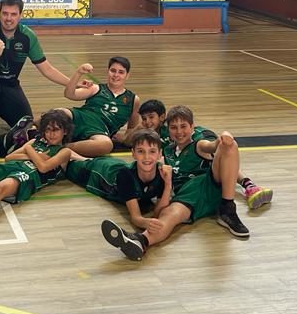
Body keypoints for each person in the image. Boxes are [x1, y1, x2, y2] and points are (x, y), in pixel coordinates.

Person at [101, 105, 251, 261]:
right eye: (174, 127)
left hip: (210, 184)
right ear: (168, 129)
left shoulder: (198, 145)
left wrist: (224, 137)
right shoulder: (167, 152)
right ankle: (141, 241)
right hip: (187, 198)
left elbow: (212, 146)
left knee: (230, 146)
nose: (179, 132)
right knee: (169, 215)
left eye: (183, 126)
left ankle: (228, 208)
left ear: (192, 127)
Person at [135, 98, 273, 211]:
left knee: (216, 159)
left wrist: (220, 141)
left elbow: (202, 143)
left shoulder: (170, 130)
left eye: (151, 117)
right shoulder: (153, 134)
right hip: (189, 143)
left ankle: (249, 185)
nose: (147, 122)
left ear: (162, 117)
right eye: (144, 119)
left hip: (202, 136)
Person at [0, 0, 70, 134]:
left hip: (10, 83)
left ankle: (0, 106)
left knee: (25, 123)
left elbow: (47, 69)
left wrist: (72, 83)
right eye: (5, 13)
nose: (8, 18)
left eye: (13, 14)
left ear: (20, 15)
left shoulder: (28, 36)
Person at [66, 129, 170, 219]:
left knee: (84, 159)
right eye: (141, 151)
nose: (147, 157)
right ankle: (59, 147)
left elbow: (158, 212)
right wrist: (149, 224)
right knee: (65, 166)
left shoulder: (161, 173)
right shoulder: (125, 176)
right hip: (98, 172)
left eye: (152, 151)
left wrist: (168, 184)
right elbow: (136, 218)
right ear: (133, 153)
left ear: (160, 154)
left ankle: (75, 155)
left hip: (116, 164)